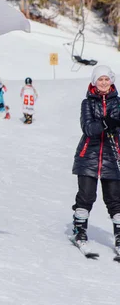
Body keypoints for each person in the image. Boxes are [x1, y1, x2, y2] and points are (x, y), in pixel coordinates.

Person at [70, 65, 120, 250]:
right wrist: (105, 123)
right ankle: (79, 230)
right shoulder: (88, 103)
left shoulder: (118, 102)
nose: (104, 83)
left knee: (115, 199)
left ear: (111, 81)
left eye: (107, 79)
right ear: (94, 82)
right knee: (86, 196)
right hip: (88, 155)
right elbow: (88, 128)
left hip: (112, 156)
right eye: (100, 79)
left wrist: (115, 125)